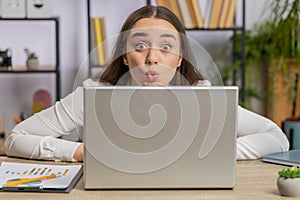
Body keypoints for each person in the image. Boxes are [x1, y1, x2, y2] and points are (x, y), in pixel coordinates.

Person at [4, 5, 289, 162]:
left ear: (179, 59)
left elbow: (275, 137)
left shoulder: (202, 96)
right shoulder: (92, 95)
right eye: (140, 45)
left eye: (166, 47)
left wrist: (209, 153)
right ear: (125, 58)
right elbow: (16, 138)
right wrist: (79, 152)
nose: (152, 58)